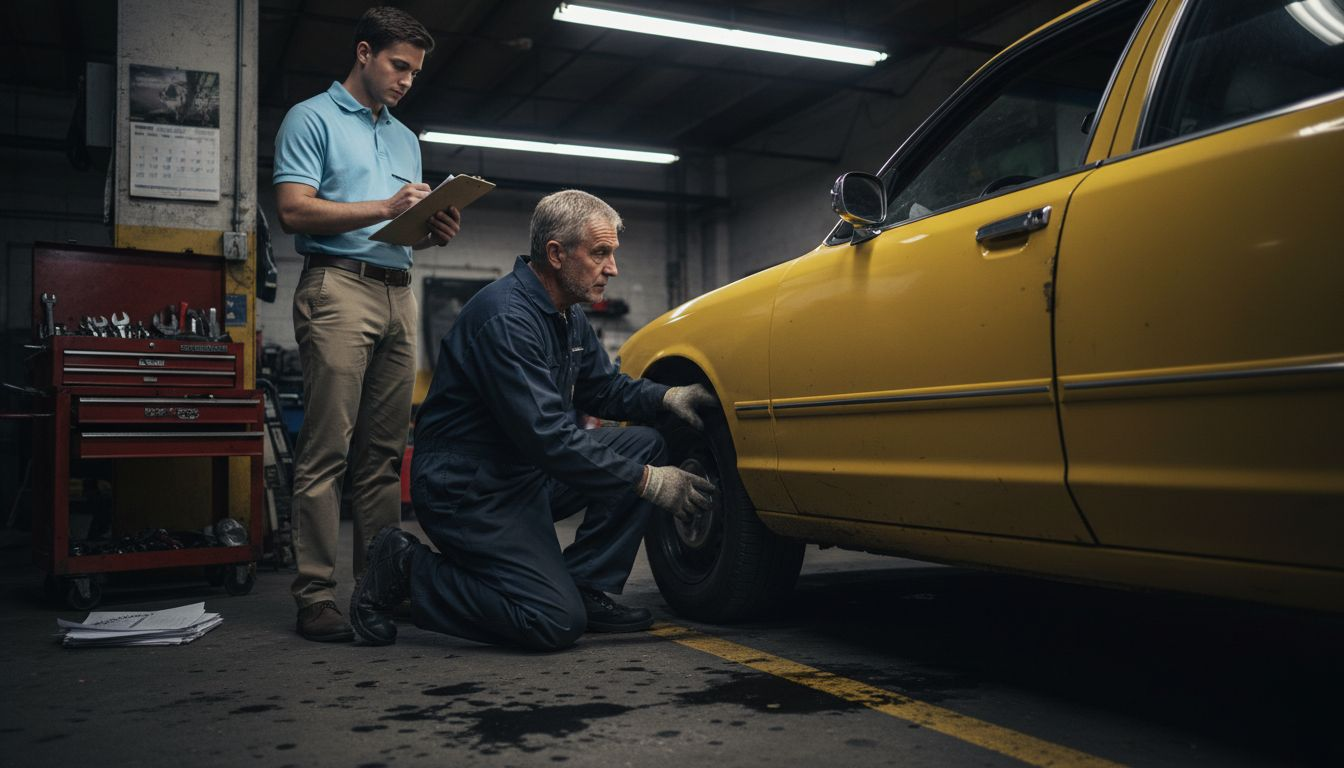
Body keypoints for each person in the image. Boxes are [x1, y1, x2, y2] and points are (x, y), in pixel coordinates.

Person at [348, 190, 718, 650]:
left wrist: (668, 396)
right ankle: (407, 569)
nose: (613, 268)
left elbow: (602, 389)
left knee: (643, 444)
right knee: (552, 620)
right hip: (466, 489)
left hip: (521, 472)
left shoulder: (565, 315)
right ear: (557, 254)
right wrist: (651, 484)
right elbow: (551, 438)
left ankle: (585, 585)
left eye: (613, 254)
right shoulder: (507, 318)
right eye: (600, 253)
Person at [273, 6, 462, 642]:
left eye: (415, 71)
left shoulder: (407, 138)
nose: (407, 79)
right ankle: (315, 595)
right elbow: (295, 211)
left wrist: (431, 230)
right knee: (326, 449)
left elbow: (395, 230)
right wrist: (385, 205)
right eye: (398, 65)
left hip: (398, 291)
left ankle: (377, 587)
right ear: (363, 52)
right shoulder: (312, 118)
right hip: (337, 289)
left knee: (383, 456)